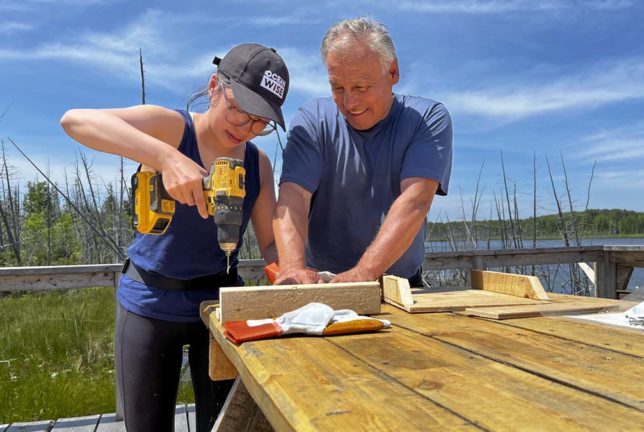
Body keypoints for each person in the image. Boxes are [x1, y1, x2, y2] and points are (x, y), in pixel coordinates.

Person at [60, 43, 289, 431]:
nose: (244, 127)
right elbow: (74, 121)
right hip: (149, 304)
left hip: (218, 310)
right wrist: (167, 157)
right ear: (215, 86)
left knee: (227, 423)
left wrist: (288, 276)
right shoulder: (172, 128)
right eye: (237, 108)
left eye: (259, 122)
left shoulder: (257, 163)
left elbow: (269, 243)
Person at [274, 17, 452, 286]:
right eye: (337, 87)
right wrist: (291, 268)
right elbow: (293, 196)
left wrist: (364, 273)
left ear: (392, 72)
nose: (349, 102)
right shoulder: (312, 120)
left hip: (400, 286)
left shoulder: (427, 119)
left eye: (360, 86)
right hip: (321, 285)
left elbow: (415, 200)